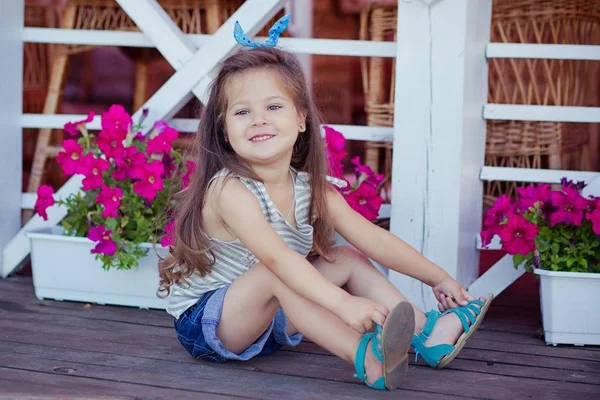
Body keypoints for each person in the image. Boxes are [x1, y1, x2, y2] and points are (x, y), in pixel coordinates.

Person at [158, 14, 493, 391]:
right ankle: (364, 357)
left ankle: (427, 331)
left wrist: (439, 277)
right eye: (241, 112)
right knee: (278, 272)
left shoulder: (313, 191)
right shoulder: (229, 192)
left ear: (301, 119)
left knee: (346, 257)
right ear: (224, 130)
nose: (258, 121)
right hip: (210, 328)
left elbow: (376, 241)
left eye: (273, 107)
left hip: (269, 321)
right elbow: (278, 261)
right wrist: (343, 305)